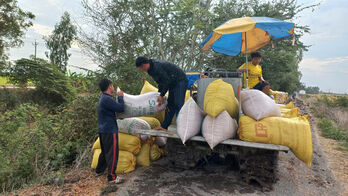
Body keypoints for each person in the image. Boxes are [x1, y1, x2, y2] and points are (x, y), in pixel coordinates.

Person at [135, 56, 188, 131]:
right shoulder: (150, 70)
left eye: (141, 67)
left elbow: (166, 81)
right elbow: (160, 83)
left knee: (178, 103)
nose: (142, 69)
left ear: (144, 64)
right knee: (170, 105)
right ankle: (164, 126)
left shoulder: (157, 67)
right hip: (172, 82)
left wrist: (161, 95)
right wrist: (159, 94)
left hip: (180, 80)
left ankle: (183, 127)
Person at [96, 78, 125, 184]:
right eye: (112, 85)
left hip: (103, 129)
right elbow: (121, 108)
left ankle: (99, 170)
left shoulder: (103, 98)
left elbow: (111, 111)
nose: (113, 87)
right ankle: (112, 177)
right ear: (109, 86)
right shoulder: (107, 99)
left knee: (105, 152)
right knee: (112, 153)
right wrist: (121, 97)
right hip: (109, 130)